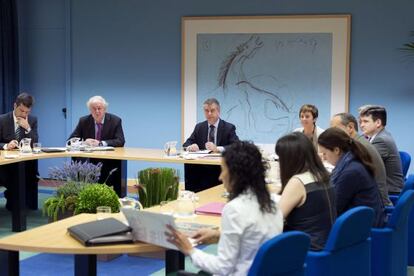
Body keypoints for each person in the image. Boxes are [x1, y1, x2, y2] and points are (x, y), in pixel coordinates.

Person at [166, 141, 283, 275]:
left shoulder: (235, 209)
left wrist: (190, 250)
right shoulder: (274, 202)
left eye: (223, 170)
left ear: (236, 174)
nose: (220, 177)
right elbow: (254, 238)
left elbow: (223, 267)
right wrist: (219, 235)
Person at [276, 132, 336, 251]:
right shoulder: (323, 175)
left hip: (306, 249)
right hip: (325, 244)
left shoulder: (298, 182)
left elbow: (274, 220)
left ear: (289, 159)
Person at [318, 127, 385, 227]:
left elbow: (333, 209)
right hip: (366, 220)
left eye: (325, 153)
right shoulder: (352, 160)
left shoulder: (351, 172)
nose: (324, 158)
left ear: (336, 150)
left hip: (364, 227)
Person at [330, 113, 392, 206]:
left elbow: (346, 177)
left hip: (376, 203)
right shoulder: (358, 142)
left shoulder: (358, 148)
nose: (332, 133)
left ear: (350, 127)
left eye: (335, 129)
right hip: (372, 198)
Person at [68, 96, 125, 195]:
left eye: (99, 108)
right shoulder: (84, 121)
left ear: (105, 109)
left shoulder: (115, 121)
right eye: (94, 109)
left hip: (109, 161)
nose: (97, 111)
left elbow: (120, 140)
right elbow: (70, 141)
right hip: (89, 161)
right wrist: (84, 142)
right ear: (90, 110)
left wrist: (100, 143)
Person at [183, 98, 239, 192]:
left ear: (218, 111)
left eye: (212, 110)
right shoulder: (199, 127)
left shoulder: (228, 128)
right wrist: (191, 147)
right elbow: (186, 143)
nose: (209, 114)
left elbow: (237, 146)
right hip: (201, 169)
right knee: (189, 166)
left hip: (219, 169)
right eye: (206, 111)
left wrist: (218, 148)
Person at [0, 92, 39, 210]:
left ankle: (23, 202)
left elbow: (35, 142)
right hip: (6, 164)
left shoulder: (32, 120)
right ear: (14, 106)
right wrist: (6, 146)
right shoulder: (2, 120)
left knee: (30, 175)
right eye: (21, 111)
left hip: (25, 163)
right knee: (13, 178)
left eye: (27, 112)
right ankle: (12, 198)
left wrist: (27, 128)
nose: (23, 114)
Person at [359, 105, 404, 194]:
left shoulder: (381, 140)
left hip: (389, 191)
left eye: (365, 121)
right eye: (360, 121)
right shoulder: (378, 136)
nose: (361, 125)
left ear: (378, 123)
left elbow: (362, 164)